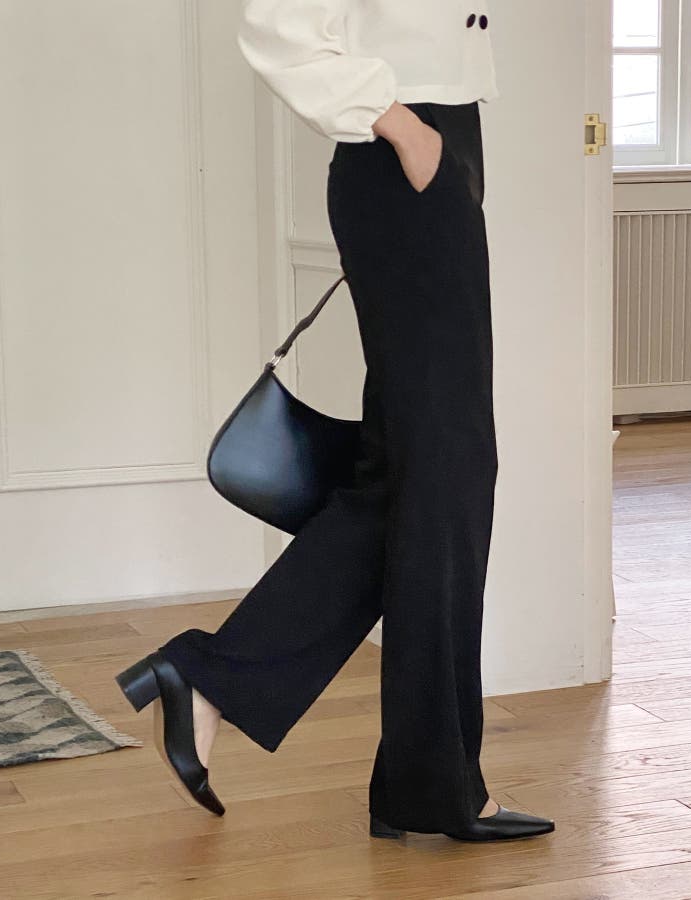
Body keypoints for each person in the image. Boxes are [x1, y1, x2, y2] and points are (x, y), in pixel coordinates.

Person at [116, 0, 555, 843]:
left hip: (441, 147)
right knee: (447, 477)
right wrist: (404, 129)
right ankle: (428, 783)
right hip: (405, 153)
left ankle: (225, 686)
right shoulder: (404, 137)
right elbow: (276, 26)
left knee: (415, 478)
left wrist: (433, 145)